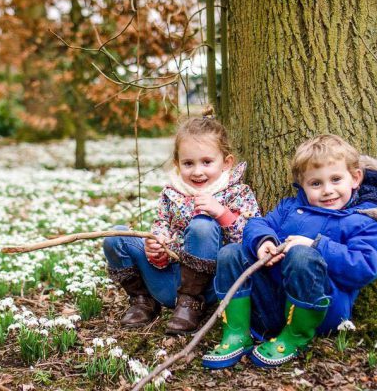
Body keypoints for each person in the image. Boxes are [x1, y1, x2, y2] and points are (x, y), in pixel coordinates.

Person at [201, 134, 377, 369]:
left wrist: (315, 245)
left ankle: (295, 336)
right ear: (302, 185)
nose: (327, 190)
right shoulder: (290, 208)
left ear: (355, 178)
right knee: (230, 252)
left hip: (320, 311)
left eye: (335, 179)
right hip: (270, 306)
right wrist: (263, 242)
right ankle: (236, 333)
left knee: (302, 255)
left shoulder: (364, 220)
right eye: (316, 183)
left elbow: (365, 266)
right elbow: (257, 224)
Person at [103, 107, 260, 335]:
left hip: (207, 287)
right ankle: (143, 302)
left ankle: (190, 305)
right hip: (167, 279)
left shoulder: (238, 193)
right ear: (177, 163)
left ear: (226, 162)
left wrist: (222, 214)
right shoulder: (171, 193)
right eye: (188, 163)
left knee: (202, 225)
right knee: (115, 237)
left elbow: (251, 240)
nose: (197, 171)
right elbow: (160, 225)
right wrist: (156, 246)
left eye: (207, 162)